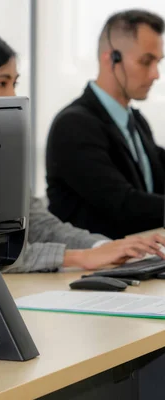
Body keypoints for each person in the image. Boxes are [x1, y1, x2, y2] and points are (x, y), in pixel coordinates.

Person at [0, 28, 165, 273]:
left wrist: (104, 247)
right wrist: (77, 257)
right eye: (1, 83)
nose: (13, 95)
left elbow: (37, 224)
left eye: (14, 83)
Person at [46, 10, 165, 239]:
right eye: (146, 61)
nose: (155, 74)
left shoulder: (135, 122)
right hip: (92, 270)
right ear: (111, 58)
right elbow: (123, 204)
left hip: (139, 262)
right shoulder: (73, 125)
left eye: (158, 62)